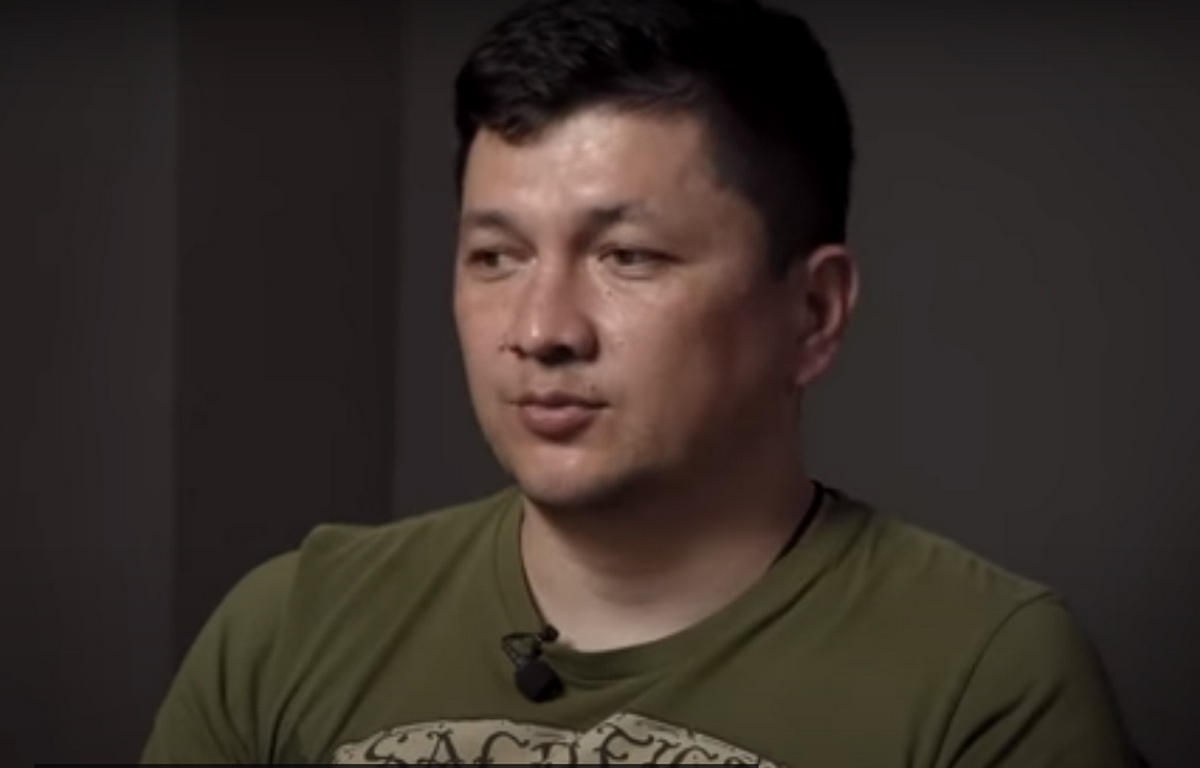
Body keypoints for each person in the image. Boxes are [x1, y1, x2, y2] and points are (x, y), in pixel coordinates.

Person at [142, 0, 1139, 764]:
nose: (542, 330)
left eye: (628, 257)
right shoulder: (289, 627)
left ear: (813, 312)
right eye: (496, 258)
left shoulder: (987, 677)